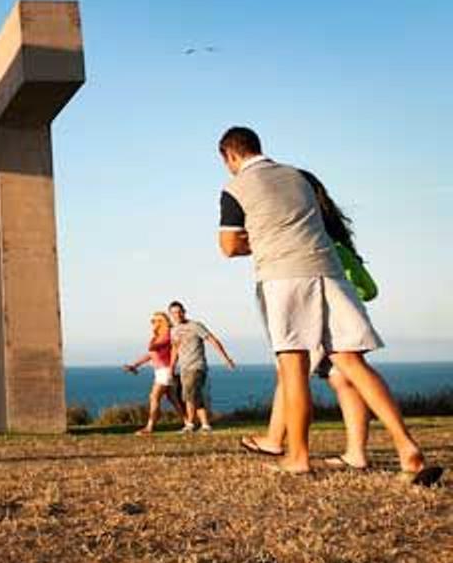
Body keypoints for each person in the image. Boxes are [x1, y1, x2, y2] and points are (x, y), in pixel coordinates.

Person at [217, 126, 440, 483]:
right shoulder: (300, 177)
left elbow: (229, 247)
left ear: (229, 155)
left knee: (293, 367)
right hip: (329, 272)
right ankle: (407, 447)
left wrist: (259, 240)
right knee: (352, 361)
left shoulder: (235, 187)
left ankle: (298, 458)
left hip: (282, 276)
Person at [240, 169, 384, 470]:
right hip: (347, 313)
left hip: (321, 312)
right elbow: (368, 289)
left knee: (291, 373)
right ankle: (356, 452)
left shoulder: (311, 241)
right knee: (345, 381)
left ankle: (275, 440)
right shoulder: (336, 239)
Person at [167, 300, 236, 433]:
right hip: (184, 368)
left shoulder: (195, 326)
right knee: (194, 395)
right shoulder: (174, 331)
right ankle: (205, 425)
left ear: (184, 312)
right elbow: (175, 349)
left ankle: (190, 425)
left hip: (197, 366)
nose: (177, 315)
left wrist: (226, 359)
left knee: (189, 394)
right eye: (174, 313)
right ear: (170, 314)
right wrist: (171, 368)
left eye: (179, 312)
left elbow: (213, 340)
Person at [123, 311, 187, 435]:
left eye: (157, 321)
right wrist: (135, 365)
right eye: (152, 321)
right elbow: (151, 355)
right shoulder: (158, 336)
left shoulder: (168, 334)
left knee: (154, 396)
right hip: (160, 371)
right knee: (173, 398)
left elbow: (155, 348)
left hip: (166, 370)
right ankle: (188, 423)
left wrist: (154, 344)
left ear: (163, 322)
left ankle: (149, 427)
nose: (153, 323)